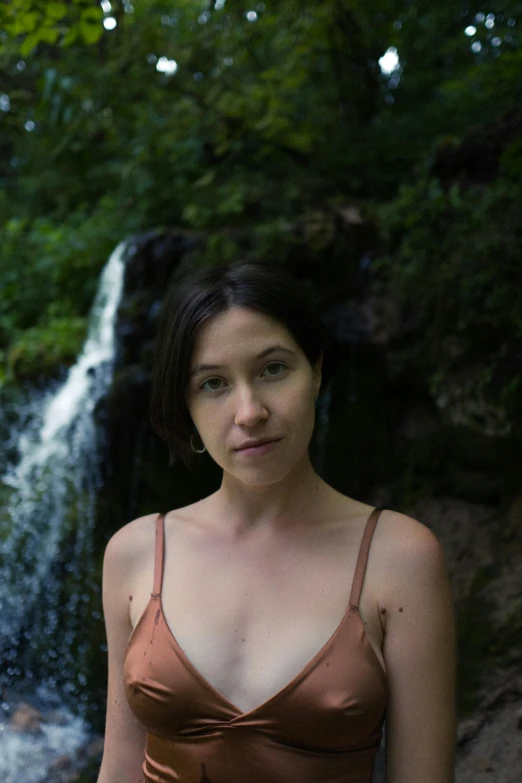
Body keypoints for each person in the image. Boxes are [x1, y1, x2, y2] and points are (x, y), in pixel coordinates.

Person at [97, 259, 457, 783]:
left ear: (314, 371)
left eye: (272, 369)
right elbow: (119, 768)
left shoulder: (400, 557)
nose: (249, 412)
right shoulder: (136, 553)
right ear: (186, 404)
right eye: (214, 384)